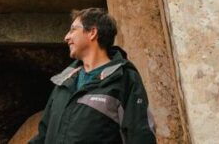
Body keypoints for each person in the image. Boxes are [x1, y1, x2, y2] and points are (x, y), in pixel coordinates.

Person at [30, 8, 157, 144]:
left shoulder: (124, 79)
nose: (66, 37)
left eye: (73, 30)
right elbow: (43, 135)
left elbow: (140, 135)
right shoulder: (64, 82)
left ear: (92, 32)